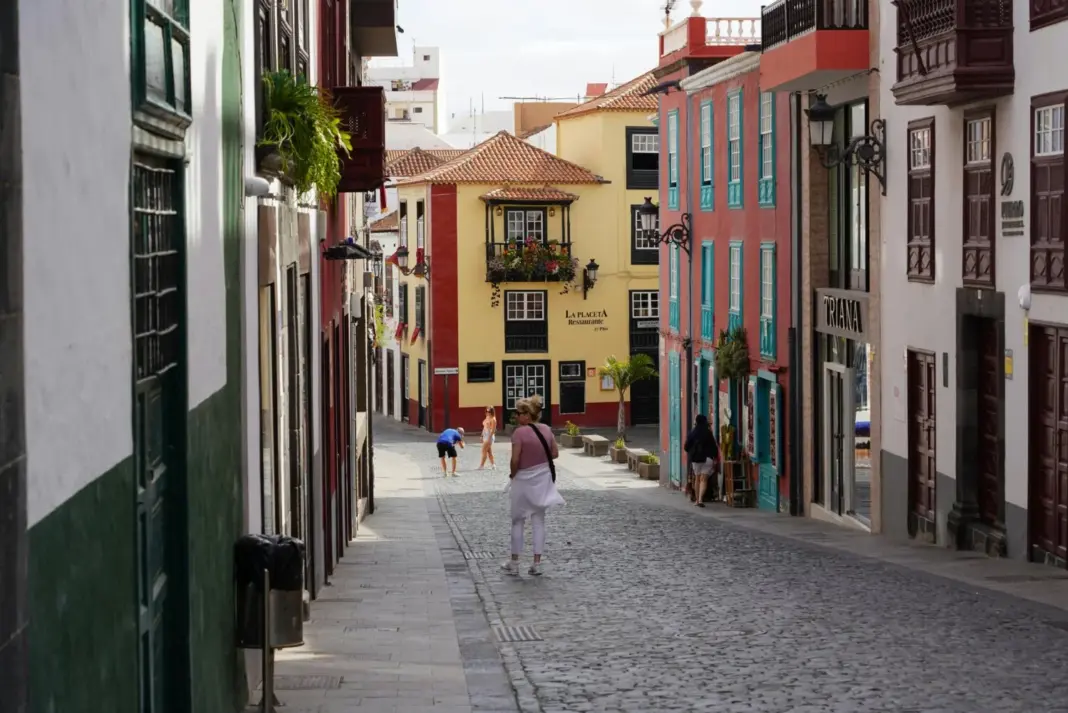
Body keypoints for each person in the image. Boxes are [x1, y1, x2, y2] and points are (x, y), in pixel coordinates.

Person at [501, 395, 564, 577]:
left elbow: (515, 459)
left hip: (523, 480)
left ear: (527, 415)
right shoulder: (546, 430)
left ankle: (514, 562)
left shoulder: (519, 433)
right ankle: (537, 563)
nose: (516, 416)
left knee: (518, 521)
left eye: (518, 413)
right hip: (542, 479)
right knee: (539, 521)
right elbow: (555, 453)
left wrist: (513, 474)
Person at [684, 414, 720, 508]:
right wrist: (715, 457)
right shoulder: (708, 432)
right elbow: (714, 446)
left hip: (696, 458)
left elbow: (686, 447)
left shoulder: (692, 433)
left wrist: (692, 452)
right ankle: (700, 499)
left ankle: (696, 500)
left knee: (697, 478)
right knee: (704, 479)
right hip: (707, 458)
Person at [478, 406, 498, 470]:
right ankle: (493, 465)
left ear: (492, 411)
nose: (487, 412)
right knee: (489, 452)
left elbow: (493, 430)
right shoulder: (487, 417)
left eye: (489, 411)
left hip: (489, 436)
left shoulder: (493, 419)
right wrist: (481, 435)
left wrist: (489, 438)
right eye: (486, 411)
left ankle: (481, 466)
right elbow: (484, 427)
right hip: (485, 435)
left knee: (484, 450)